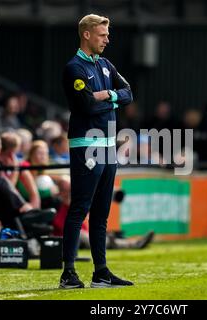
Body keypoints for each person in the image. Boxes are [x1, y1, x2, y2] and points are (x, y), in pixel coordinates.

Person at [59, 14, 133, 289]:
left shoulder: (105, 65)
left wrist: (107, 96)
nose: (107, 39)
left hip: (108, 147)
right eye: (102, 34)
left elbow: (128, 92)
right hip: (86, 145)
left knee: (101, 213)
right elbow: (86, 107)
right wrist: (106, 101)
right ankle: (68, 273)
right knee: (80, 208)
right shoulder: (74, 68)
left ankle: (101, 272)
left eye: (107, 34)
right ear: (87, 35)